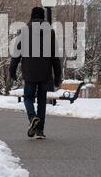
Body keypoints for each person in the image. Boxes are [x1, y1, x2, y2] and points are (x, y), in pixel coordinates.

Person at [9, 7, 62, 139]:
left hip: (29, 72)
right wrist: (57, 76)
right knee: (42, 101)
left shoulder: (24, 31)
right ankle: (40, 131)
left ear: (31, 16)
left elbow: (16, 54)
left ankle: (32, 117)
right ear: (43, 17)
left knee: (28, 98)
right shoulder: (50, 32)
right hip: (45, 73)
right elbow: (55, 56)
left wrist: (12, 71)